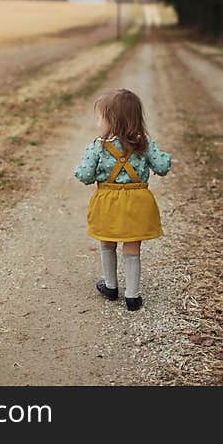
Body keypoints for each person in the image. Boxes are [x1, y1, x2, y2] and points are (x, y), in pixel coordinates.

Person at [73, 88, 172, 311]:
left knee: (107, 241)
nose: (98, 122)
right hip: (138, 201)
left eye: (100, 117)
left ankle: (110, 286)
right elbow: (163, 166)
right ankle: (132, 297)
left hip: (107, 201)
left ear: (112, 120)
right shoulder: (144, 143)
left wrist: (79, 172)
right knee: (132, 246)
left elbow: (85, 175)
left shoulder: (98, 146)